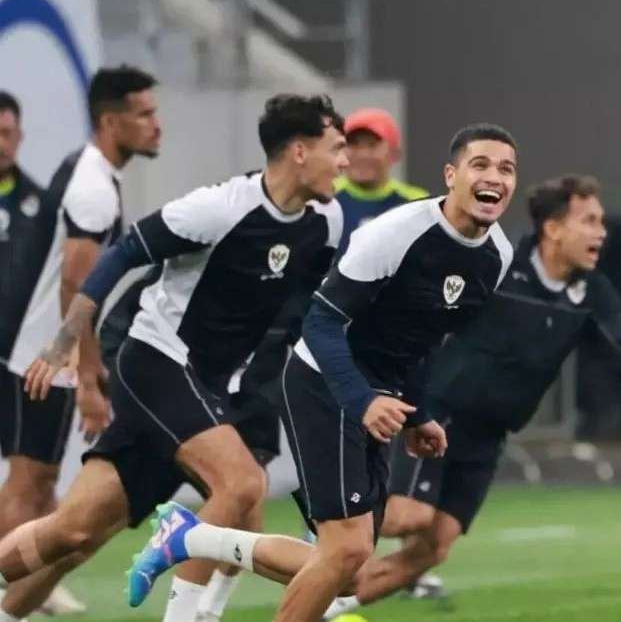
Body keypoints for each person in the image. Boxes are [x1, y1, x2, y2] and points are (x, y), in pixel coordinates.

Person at [123, 123, 518, 622]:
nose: (495, 177)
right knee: (345, 551)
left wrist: (419, 414)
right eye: (480, 165)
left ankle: (192, 537)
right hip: (324, 383)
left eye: (506, 169)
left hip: (379, 398)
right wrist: (362, 401)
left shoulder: (497, 256)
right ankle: (192, 548)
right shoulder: (396, 233)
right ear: (451, 175)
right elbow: (322, 322)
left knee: (348, 569)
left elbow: (422, 340)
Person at [0, 94, 347, 622]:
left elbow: (301, 314)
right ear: (299, 151)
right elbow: (121, 254)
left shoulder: (327, 221)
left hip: (210, 389)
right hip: (156, 364)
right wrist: (68, 338)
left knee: (72, 533)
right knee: (242, 484)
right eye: (336, 148)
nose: (343, 161)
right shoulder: (218, 209)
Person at [323, 175, 621, 618]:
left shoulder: (594, 290)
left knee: (434, 547)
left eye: (601, 222)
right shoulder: (498, 265)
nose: (601, 232)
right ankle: (322, 537)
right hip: (441, 413)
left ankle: (332, 604)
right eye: (589, 221)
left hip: (490, 433)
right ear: (553, 228)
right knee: (407, 519)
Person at [0, 67, 161, 617]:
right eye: (144, 114)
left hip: (44, 353)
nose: (156, 125)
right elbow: (77, 283)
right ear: (111, 120)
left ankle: (22, 596)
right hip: (36, 356)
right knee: (27, 482)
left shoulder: (87, 171)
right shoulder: (92, 187)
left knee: (41, 479)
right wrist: (89, 377)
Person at [334, 107, 426, 254]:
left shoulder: (417, 203)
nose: (363, 154)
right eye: (354, 144)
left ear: (395, 153)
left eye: (372, 145)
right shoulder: (322, 199)